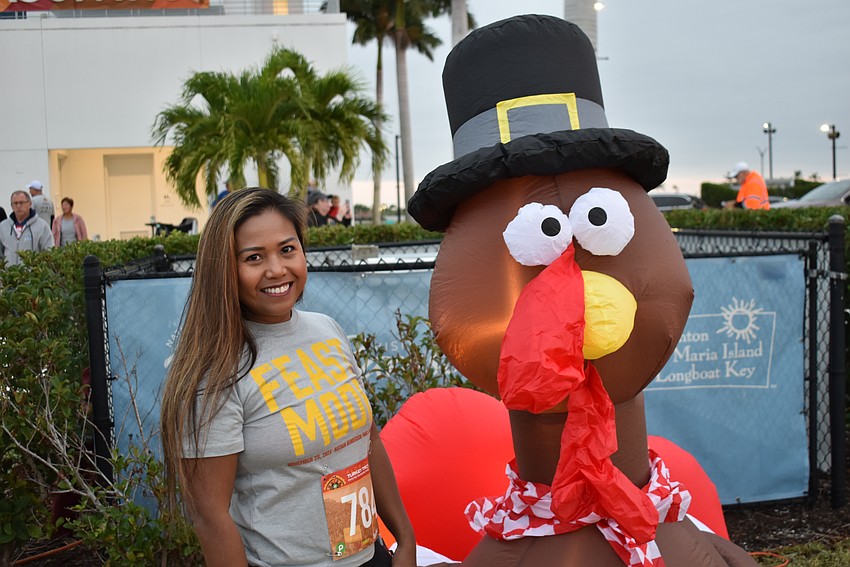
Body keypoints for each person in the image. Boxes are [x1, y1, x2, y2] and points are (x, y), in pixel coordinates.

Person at [159, 188, 415, 567]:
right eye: (253, 257)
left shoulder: (327, 329)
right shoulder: (213, 373)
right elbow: (210, 517)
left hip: (370, 555)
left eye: (287, 249)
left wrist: (405, 540)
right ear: (224, 268)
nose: (276, 269)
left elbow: (368, 439)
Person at [0, 190, 54, 266]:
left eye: (21, 203)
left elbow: (48, 252)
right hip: (9, 275)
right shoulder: (3, 226)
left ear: (30, 204)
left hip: (33, 276)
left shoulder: (42, 226)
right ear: (11, 206)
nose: (18, 206)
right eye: (15, 203)